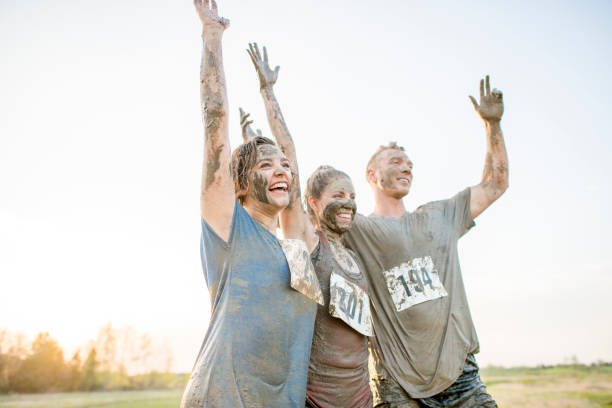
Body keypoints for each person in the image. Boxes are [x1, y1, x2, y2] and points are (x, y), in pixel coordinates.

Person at [180, 2, 322, 407]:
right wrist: (212, 34)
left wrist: (269, 92)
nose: (282, 171)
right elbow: (214, 119)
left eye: (284, 167)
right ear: (241, 183)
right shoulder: (229, 227)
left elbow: (292, 153)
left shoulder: (296, 245)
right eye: (266, 165)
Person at [343, 76, 508, 407]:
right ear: (372, 175)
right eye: (395, 162)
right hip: (398, 385)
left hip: (461, 377)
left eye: (409, 165)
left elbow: (495, 184)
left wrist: (492, 125)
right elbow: (303, 217)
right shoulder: (356, 227)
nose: (406, 168)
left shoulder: (440, 215)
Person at [245, 43, 374, 408]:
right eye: (338, 195)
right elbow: (290, 157)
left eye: (351, 194)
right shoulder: (307, 240)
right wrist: (268, 92)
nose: (348, 201)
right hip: (317, 398)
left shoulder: (353, 254)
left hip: (360, 395)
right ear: (313, 204)